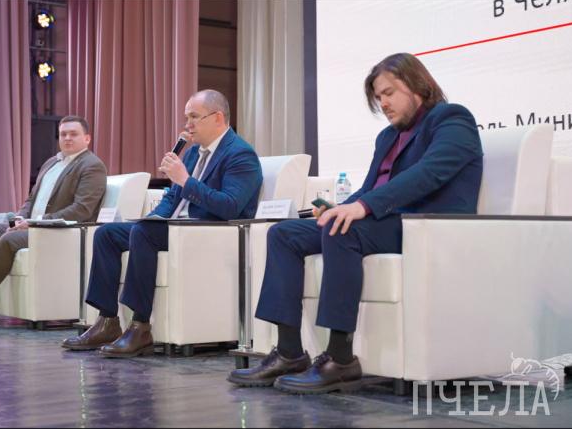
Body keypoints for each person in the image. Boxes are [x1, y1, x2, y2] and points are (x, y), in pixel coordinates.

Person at [228, 53, 483, 394]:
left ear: (418, 85)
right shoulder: (388, 137)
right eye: (379, 97)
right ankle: (289, 352)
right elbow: (369, 189)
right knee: (283, 234)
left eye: (389, 93)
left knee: (342, 231)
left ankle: (340, 358)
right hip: (385, 222)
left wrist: (361, 207)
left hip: (425, 226)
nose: (383, 103)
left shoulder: (451, 119)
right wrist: (340, 208)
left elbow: (429, 173)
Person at [61, 89, 263, 357]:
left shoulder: (241, 154)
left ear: (217, 118)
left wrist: (185, 180)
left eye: (194, 117)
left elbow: (230, 205)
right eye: (186, 117)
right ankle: (107, 321)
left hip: (206, 231)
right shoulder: (193, 153)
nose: (188, 125)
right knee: (107, 234)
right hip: (173, 228)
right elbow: (172, 198)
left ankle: (140, 326)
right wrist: (155, 217)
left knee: (144, 233)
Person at [0, 115, 107, 328]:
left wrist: (36, 222)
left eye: (73, 134)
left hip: (58, 232)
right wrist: (20, 217)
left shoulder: (92, 165)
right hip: (33, 226)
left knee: (8, 240)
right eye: (63, 134)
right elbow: (31, 199)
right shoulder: (51, 162)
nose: (67, 138)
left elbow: (82, 210)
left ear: (87, 138)